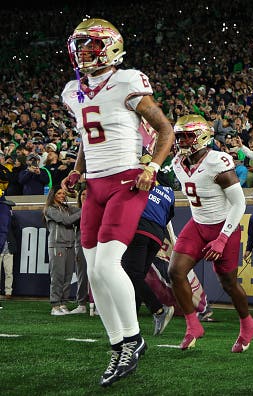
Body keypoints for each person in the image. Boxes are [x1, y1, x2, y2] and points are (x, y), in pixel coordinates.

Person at [60, 18, 174, 387]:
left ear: (109, 46)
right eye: (80, 45)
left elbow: (166, 129)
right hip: (94, 185)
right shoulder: (72, 91)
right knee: (94, 273)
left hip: (126, 179)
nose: (83, 52)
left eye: (91, 44)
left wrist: (153, 166)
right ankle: (117, 345)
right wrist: (76, 172)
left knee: (109, 264)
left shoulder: (127, 80)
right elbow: (86, 138)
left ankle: (134, 339)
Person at [168, 114, 253, 352]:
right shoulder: (178, 162)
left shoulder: (217, 161)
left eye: (187, 136)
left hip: (222, 226)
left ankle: (248, 324)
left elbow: (239, 203)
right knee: (175, 272)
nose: (182, 142)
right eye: (179, 137)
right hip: (197, 224)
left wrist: (222, 238)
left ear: (202, 136)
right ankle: (192, 325)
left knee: (228, 282)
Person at [121, 166, 176, 336]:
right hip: (157, 235)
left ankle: (158, 309)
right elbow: (169, 216)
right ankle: (131, 322)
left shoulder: (142, 182)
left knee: (131, 274)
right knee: (136, 277)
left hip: (140, 229)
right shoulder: (169, 193)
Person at [43, 187, 81, 316]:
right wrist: (84, 211)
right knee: (57, 276)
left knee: (67, 276)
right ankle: (55, 305)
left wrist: (79, 197)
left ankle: (63, 304)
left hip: (70, 245)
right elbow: (66, 220)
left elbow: (81, 210)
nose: (61, 195)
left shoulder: (68, 208)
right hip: (57, 245)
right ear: (53, 195)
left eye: (63, 193)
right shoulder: (50, 209)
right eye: (59, 193)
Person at [70, 184, 89, 314]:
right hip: (81, 244)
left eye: (87, 195)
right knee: (82, 274)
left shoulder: (99, 210)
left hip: (97, 245)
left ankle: (100, 304)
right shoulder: (76, 212)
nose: (85, 197)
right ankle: (81, 304)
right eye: (82, 194)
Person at [0, 191, 16, 299]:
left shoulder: (10, 219)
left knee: (9, 271)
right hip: (1, 247)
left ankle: (8, 292)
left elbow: (14, 229)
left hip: (8, 248)